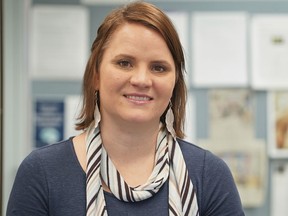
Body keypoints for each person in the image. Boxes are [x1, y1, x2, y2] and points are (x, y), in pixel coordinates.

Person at [7, 1, 244, 215]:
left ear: (174, 84)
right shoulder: (42, 172)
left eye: (159, 68)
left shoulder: (209, 175)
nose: (141, 80)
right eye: (124, 63)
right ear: (96, 75)